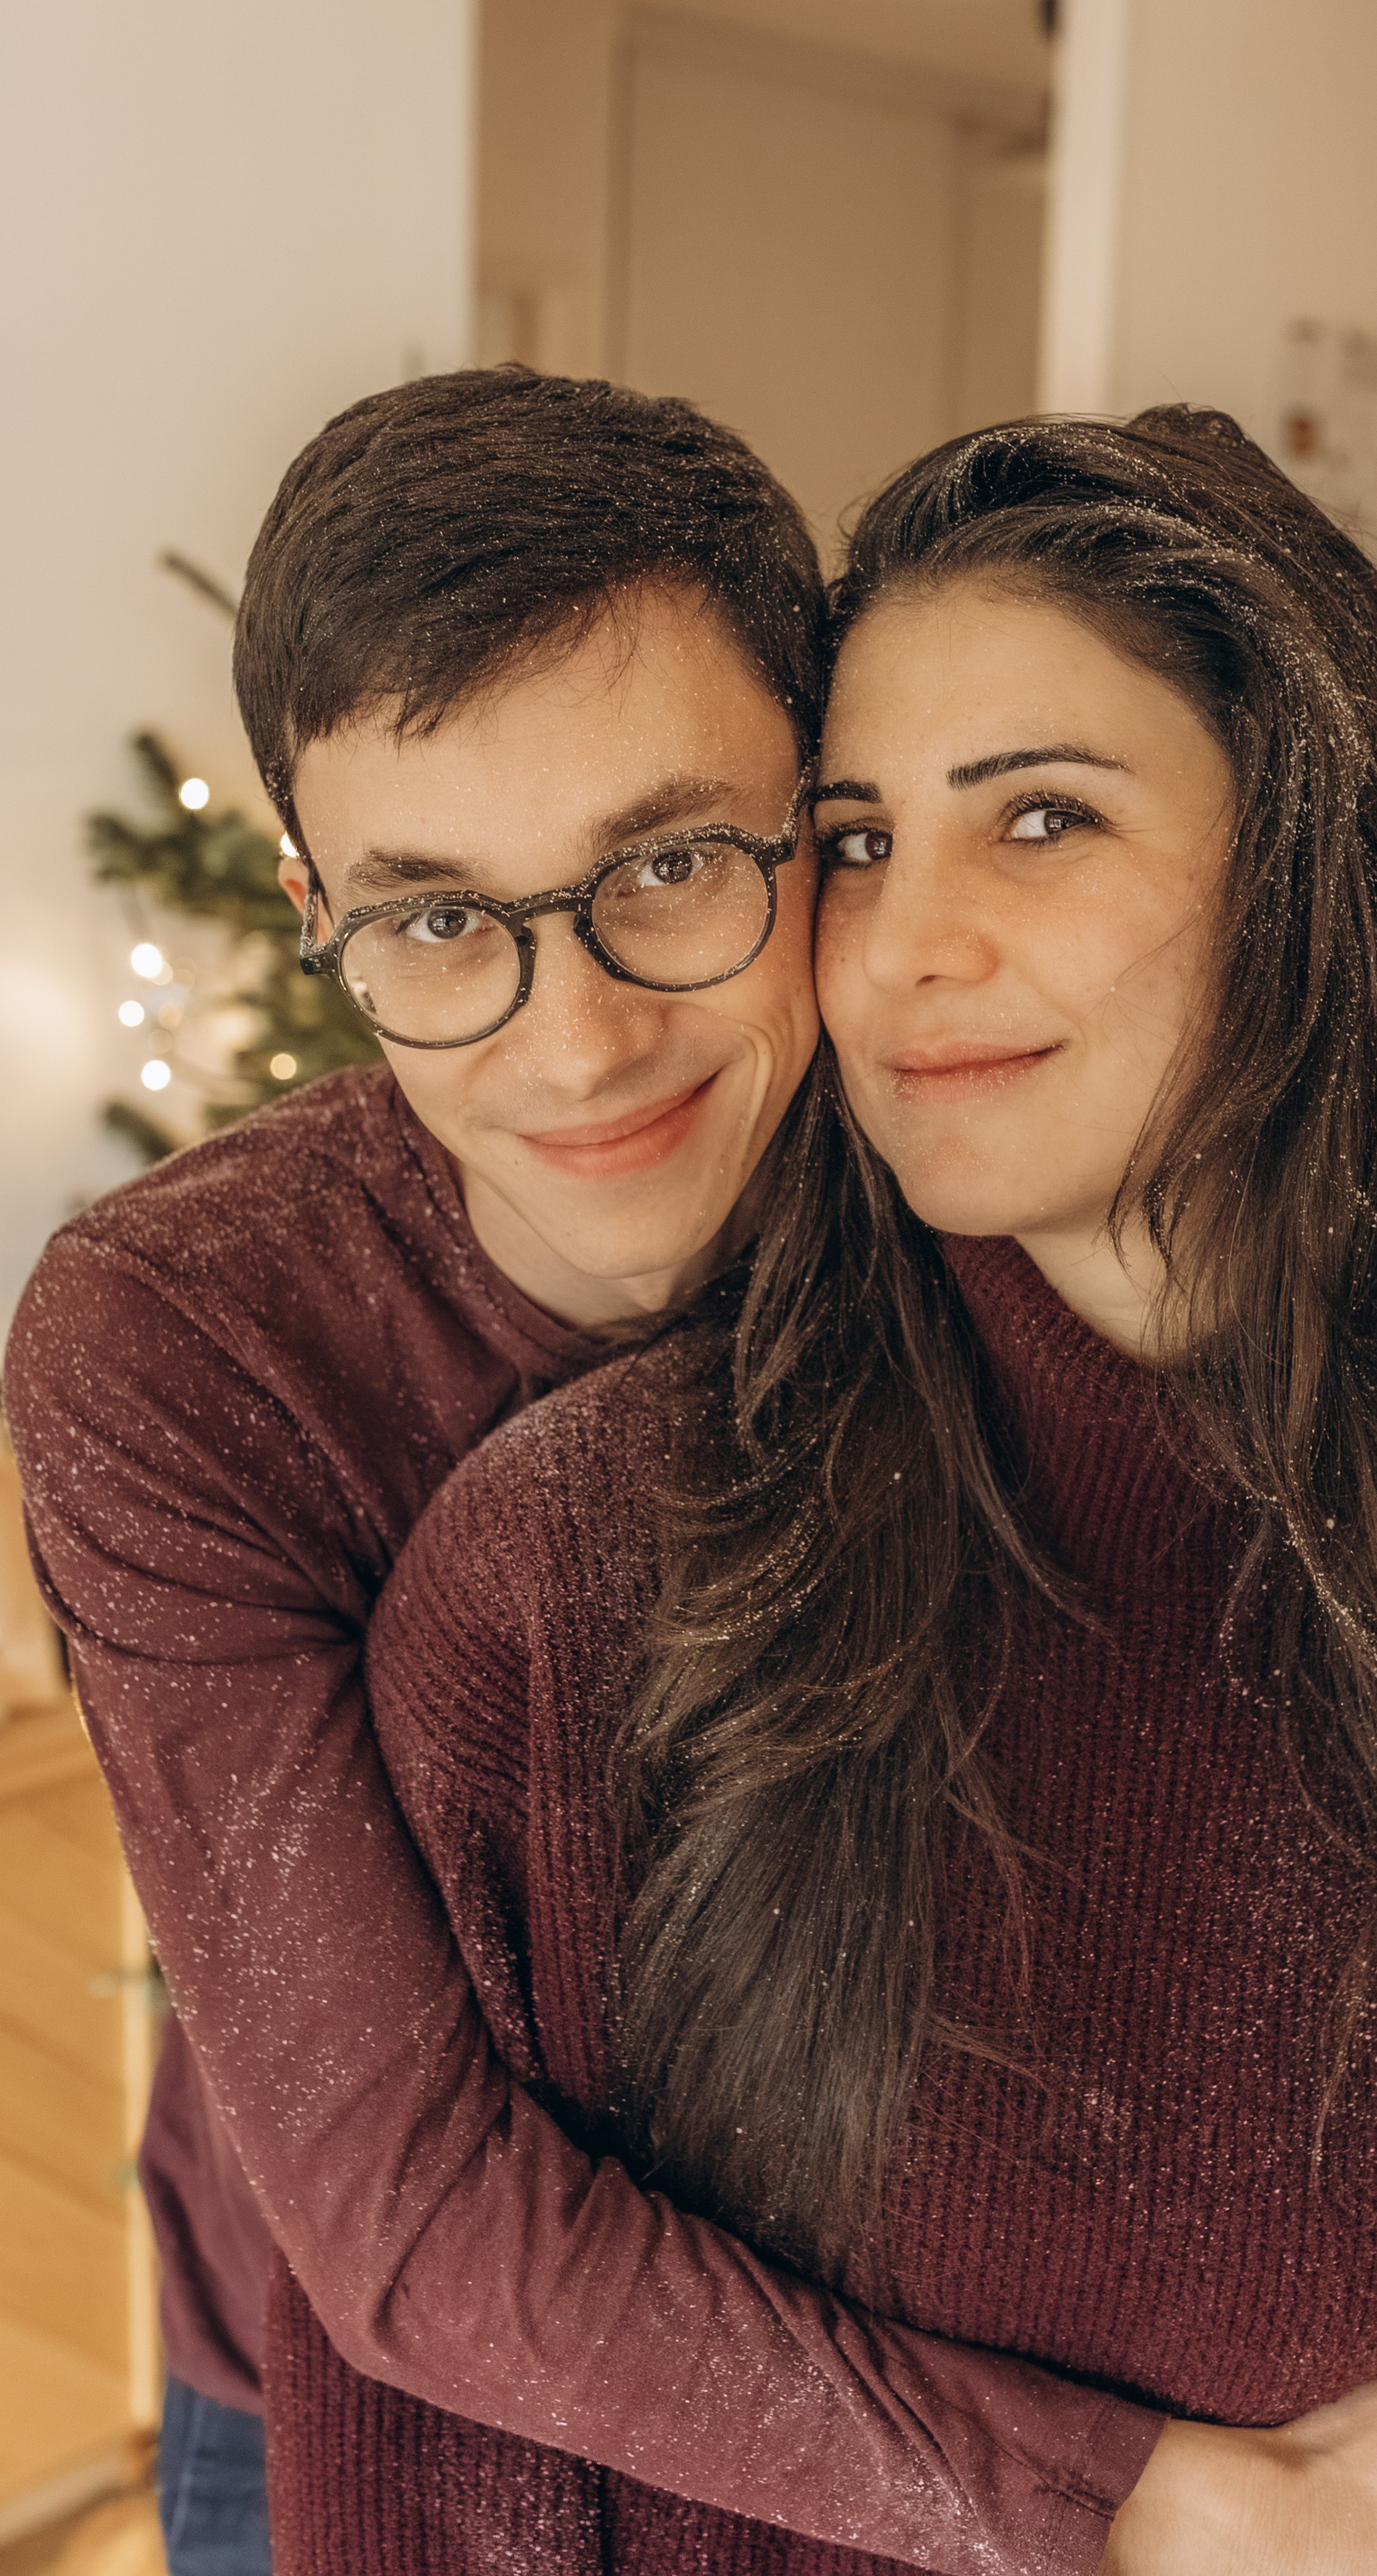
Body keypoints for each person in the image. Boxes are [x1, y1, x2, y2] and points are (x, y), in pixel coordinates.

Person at [258, 407, 1377, 2575]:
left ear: (1302, 860)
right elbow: (423, 2430)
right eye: (850, 843)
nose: (903, 947)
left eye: (1040, 817)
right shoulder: (583, 1572)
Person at [8, 370, 1161, 2576]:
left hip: (933, 2344)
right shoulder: (181, 1342)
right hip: (347, 2385)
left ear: (814, 817)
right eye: (436, 917)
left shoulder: (988, 1175)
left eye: (666, 865)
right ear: (313, 905)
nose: (577, 1040)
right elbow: (408, 2212)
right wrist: (1161, 2503)